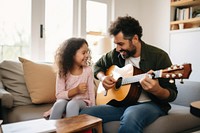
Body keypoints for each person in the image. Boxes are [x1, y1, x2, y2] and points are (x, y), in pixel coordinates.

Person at [80, 16, 178, 133]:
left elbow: (172, 94)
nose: (117, 49)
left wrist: (157, 90)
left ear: (135, 39)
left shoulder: (159, 56)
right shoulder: (116, 54)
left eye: (121, 44)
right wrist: (103, 77)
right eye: (116, 44)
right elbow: (97, 66)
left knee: (131, 115)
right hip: (121, 105)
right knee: (86, 114)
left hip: (151, 105)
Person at [43, 37, 95, 119]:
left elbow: (91, 92)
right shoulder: (63, 71)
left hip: (82, 102)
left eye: (87, 52)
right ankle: (52, 129)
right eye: (84, 52)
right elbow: (59, 95)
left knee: (72, 104)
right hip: (65, 101)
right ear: (72, 54)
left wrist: (93, 109)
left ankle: (70, 130)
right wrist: (76, 90)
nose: (87, 55)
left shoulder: (88, 70)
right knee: (59, 104)